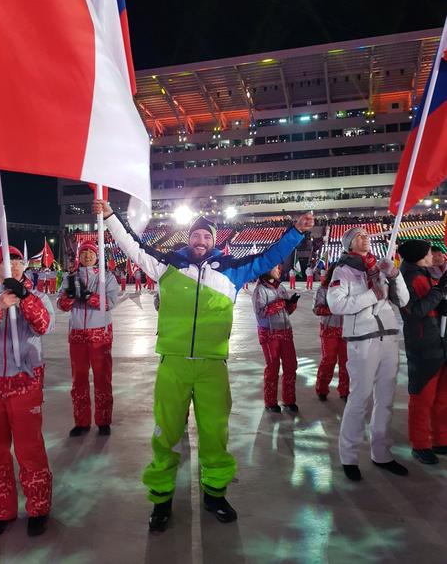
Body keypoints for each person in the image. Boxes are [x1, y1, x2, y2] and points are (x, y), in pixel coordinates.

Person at [94, 198, 313, 533]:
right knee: (165, 435)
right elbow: (133, 247)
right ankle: (161, 498)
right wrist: (109, 216)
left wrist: (296, 232)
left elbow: (268, 257)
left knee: (214, 433)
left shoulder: (231, 271)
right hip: (174, 363)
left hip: (212, 365)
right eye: (196, 236)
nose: (201, 242)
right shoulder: (166, 265)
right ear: (188, 239)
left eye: (207, 238)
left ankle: (215, 494)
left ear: (214, 241)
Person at [0, 246, 54, 539]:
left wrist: (25, 300)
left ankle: (38, 508)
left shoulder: (38, 297)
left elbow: (44, 325)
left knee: (29, 450)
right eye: (7, 263)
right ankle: (2, 511)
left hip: (24, 383)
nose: (15, 267)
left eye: (18, 261)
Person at [327, 227, 409, 481]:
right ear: (349, 244)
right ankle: (348, 456)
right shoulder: (343, 271)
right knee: (359, 398)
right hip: (362, 340)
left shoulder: (381, 268)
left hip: (389, 336)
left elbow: (403, 301)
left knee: (385, 398)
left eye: (366, 235)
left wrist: (395, 275)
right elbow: (336, 304)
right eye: (358, 236)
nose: (365, 238)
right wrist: (369, 295)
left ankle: (381, 452)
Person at [57, 241, 119, 437]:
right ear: (78, 256)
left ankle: (103, 421)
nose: (87, 256)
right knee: (79, 381)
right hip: (77, 335)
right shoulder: (69, 278)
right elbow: (62, 305)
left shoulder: (106, 277)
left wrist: (87, 296)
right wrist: (69, 296)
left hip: (100, 334)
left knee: (102, 378)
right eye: (83, 253)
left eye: (90, 253)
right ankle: (81, 422)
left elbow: (109, 303)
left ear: (97, 255)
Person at [398, 240, 447, 464]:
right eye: (429, 253)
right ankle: (420, 444)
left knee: (442, 397)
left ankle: (440, 439)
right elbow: (415, 311)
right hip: (423, 345)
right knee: (422, 397)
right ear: (419, 256)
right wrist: (439, 292)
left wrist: (441, 299)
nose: (433, 256)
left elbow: (432, 305)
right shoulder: (408, 278)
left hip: (438, 342)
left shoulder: (423, 273)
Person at [252, 264, 299, 413]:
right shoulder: (260, 290)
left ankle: (289, 400)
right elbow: (260, 312)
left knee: (291, 366)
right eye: (276, 267)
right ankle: (270, 402)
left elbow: (286, 311)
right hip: (269, 334)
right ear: (267, 269)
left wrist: (291, 305)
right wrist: (280, 304)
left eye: (280, 267)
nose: (279, 270)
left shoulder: (281, 288)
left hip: (285, 331)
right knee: (273, 368)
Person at [312, 262, 349, 402]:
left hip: (347, 330)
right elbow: (316, 309)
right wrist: (334, 308)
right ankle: (322, 389)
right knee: (329, 360)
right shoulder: (323, 289)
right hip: (329, 330)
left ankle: (345, 390)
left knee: (346, 362)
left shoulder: (349, 288)